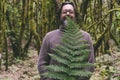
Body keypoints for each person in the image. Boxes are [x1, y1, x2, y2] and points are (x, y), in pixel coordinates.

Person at [37, 1, 95, 80]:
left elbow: (90, 64)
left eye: (71, 12)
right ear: (60, 15)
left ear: (75, 15)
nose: (68, 14)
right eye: (64, 12)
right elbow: (42, 63)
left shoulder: (86, 37)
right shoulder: (49, 37)